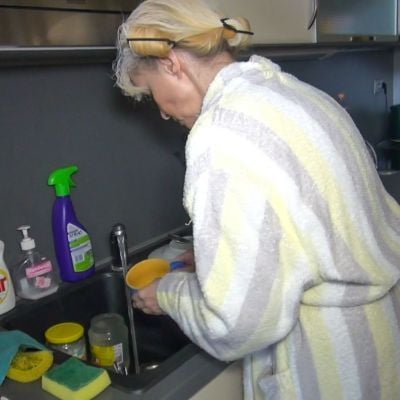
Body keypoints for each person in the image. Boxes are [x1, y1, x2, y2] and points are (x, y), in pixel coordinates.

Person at [113, 0, 400, 398]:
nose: (161, 112)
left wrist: (169, 292)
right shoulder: (295, 94)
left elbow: (237, 323)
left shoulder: (222, 134)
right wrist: (220, 264)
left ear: (172, 65)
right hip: (376, 342)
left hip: (323, 368)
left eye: (151, 93)